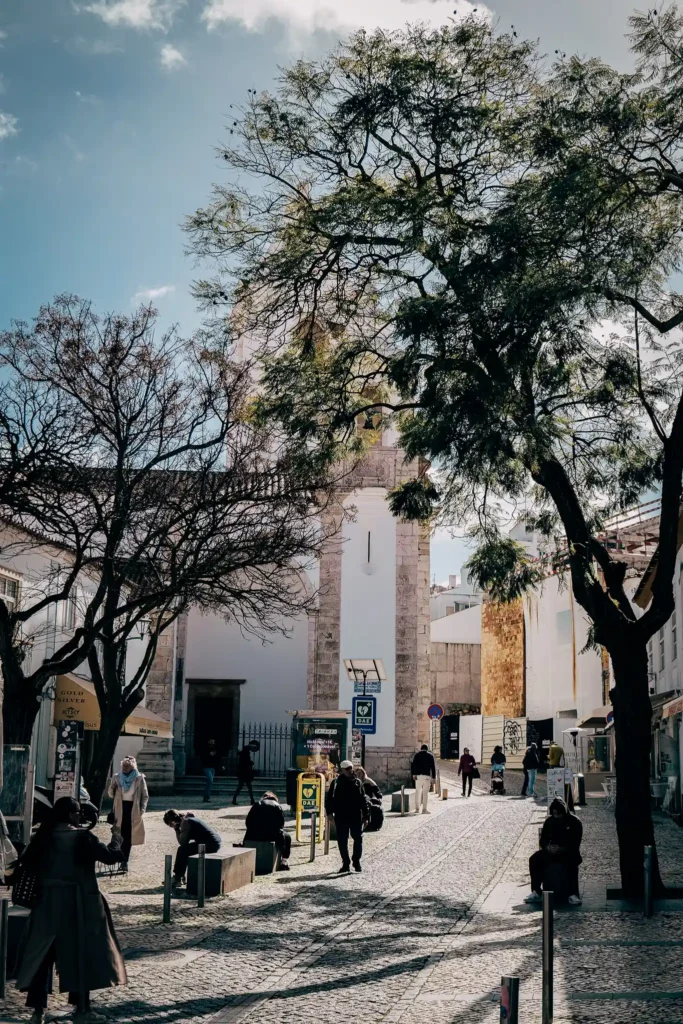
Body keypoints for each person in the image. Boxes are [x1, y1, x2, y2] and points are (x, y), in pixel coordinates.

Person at [16, 796, 126, 1024]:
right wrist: (117, 840)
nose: (80, 816)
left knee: (41, 958)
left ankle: (37, 1013)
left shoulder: (42, 838)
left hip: (47, 905)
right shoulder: (82, 837)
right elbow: (111, 857)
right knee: (81, 955)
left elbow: (26, 866)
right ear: (69, 814)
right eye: (77, 812)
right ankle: (82, 1009)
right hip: (79, 905)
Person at [525, 797, 583, 906]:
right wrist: (547, 847)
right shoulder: (550, 821)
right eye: (554, 815)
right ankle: (536, 891)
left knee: (571, 863)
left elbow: (575, 843)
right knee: (534, 859)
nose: (556, 817)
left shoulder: (575, 822)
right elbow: (543, 839)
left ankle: (572, 894)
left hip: (568, 852)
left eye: (558, 815)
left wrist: (562, 848)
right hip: (551, 852)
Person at [325, 760, 369, 873]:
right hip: (341, 815)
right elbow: (329, 799)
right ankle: (346, 863)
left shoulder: (358, 782)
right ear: (342, 770)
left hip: (355, 815)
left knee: (358, 838)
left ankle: (356, 861)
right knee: (342, 840)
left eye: (351, 768)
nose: (350, 770)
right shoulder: (336, 783)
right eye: (347, 769)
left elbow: (363, 800)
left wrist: (366, 815)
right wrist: (329, 813)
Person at [163, 809, 222, 889]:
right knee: (186, 850)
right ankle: (181, 876)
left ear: (172, 822)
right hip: (214, 842)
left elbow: (182, 842)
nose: (171, 826)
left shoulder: (185, 822)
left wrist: (176, 830)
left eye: (170, 825)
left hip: (210, 844)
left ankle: (177, 878)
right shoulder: (189, 819)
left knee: (182, 850)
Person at [108, 756, 148, 869]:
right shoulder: (116, 777)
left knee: (128, 837)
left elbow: (145, 796)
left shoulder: (139, 778)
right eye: (123, 765)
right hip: (120, 809)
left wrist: (142, 811)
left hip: (133, 810)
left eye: (127, 766)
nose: (124, 768)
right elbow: (111, 794)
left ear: (133, 767)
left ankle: (124, 861)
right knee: (118, 835)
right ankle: (115, 857)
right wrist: (113, 788)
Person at [244, 791, 291, 870]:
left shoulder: (256, 804)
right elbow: (281, 824)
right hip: (272, 836)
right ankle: (284, 861)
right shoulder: (277, 806)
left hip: (254, 834)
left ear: (263, 797)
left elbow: (248, 822)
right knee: (287, 836)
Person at [355, 766, 384, 832]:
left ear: (363, 773)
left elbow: (377, 791)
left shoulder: (368, 781)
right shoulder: (354, 781)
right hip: (357, 799)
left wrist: (378, 797)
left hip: (367, 798)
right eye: (357, 774)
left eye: (360, 773)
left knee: (368, 805)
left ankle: (367, 823)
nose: (359, 775)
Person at [411, 743, 437, 814]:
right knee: (425, 793)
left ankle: (417, 809)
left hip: (418, 776)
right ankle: (424, 809)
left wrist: (413, 774)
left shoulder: (417, 755)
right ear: (427, 749)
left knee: (417, 792)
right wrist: (434, 777)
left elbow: (413, 765)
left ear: (421, 748)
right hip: (427, 776)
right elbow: (433, 767)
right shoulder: (430, 756)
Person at [201, 738, 220, 803]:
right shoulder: (205, 748)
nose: (212, 743)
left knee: (210, 782)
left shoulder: (215, 749)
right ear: (208, 741)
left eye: (213, 741)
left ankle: (206, 796)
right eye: (211, 741)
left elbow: (217, 758)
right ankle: (206, 796)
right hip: (206, 766)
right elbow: (203, 756)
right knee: (210, 780)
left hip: (212, 767)